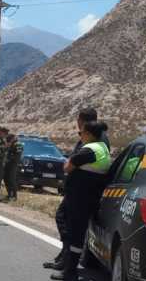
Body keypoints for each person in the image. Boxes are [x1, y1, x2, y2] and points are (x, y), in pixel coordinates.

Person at [45, 108, 109, 271]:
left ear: (83, 122)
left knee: (70, 226)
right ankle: (65, 257)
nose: (77, 125)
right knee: (64, 220)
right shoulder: (93, 138)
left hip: (82, 194)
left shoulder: (93, 141)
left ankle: (68, 261)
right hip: (77, 192)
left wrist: (70, 163)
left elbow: (71, 164)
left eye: (78, 120)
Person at [3, 134, 24, 201]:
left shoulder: (18, 144)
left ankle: (14, 196)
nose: (10, 141)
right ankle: (9, 194)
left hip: (13, 165)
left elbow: (17, 156)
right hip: (8, 164)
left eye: (10, 139)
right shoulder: (11, 144)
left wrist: (9, 159)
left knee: (11, 180)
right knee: (6, 179)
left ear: (13, 138)